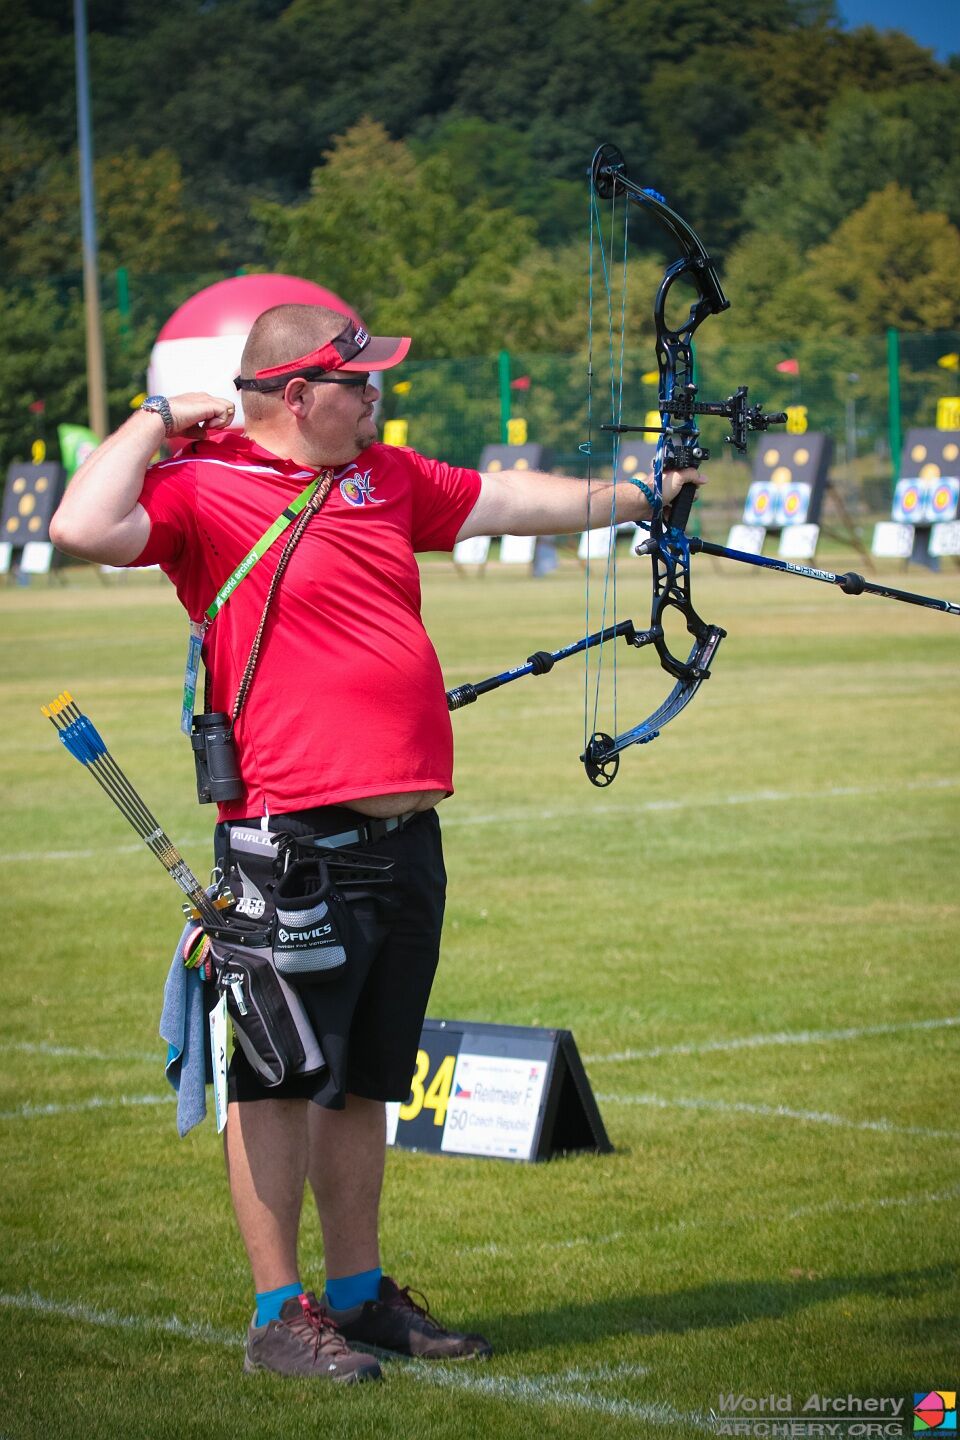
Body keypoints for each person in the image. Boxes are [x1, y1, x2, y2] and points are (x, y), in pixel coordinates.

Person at [50, 303, 705, 1383]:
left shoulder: (384, 478)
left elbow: (509, 501)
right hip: (289, 837)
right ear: (297, 393)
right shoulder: (201, 486)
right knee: (275, 1079)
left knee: (364, 1075)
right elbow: (81, 526)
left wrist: (644, 492)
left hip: (404, 835)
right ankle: (279, 1313)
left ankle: (356, 1295)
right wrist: (160, 417)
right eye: (358, 383)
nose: (376, 397)